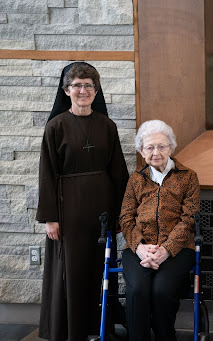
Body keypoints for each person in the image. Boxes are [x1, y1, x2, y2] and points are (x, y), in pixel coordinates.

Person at [37, 62, 129, 340]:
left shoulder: (107, 125)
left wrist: (122, 214)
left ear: (96, 90)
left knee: (100, 268)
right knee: (72, 270)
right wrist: (50, 218)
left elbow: (118, 172)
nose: (83, 90)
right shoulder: (56, 126)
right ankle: (71, 330)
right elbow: (47, 173)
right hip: (69, 210)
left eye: (89, 85)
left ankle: (100, 327)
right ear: (66, 90)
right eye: (77, 85)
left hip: (102, 210)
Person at [119, 120, 200, 341]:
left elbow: (189, 219)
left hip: (178, 248)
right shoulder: (136, 179)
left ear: (171, 148)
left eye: (162, 146)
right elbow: (126, 218)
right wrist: (140, 248)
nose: (156, 152)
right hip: (139, 248)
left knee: (161, 291)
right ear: (141, 151)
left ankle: (166, 336)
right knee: (137, 290)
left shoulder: (188, 177)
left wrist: (165, 250)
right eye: (149, 147)